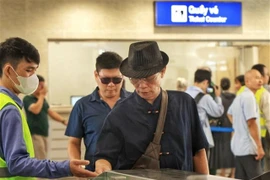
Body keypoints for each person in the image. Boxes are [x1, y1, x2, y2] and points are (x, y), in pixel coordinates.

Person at [94, 41, 209, 175]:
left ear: (163, 71)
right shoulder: (119, 114)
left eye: (149, 78)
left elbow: (198, 151)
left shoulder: (184, 103)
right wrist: (102, 167)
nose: (142, 85)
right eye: (135, 79)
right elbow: (104, 156)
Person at [0, 37, 96, 178]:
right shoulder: (9, 109)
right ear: (9, 71)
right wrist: (66, 168)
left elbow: (50, 112)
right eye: (29, 70)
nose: (33, 77)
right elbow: (17, 163)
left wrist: (64, 121)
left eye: (35, 70)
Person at [65, 51, 131, 171]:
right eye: (105, 80)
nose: (111, 85)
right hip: (95, 172)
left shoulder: (135, 102)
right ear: (96, 75)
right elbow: (74, 142)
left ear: (123, 77)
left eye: (117, 80)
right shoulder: (82, 106)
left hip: (131, 172)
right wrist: (78, 166)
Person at [227, 69, 265, 180]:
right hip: (248, 148)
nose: (260, 80)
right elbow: (251, 123)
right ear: (247, 82)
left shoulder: (240, 96)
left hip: (238, 148)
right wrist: (259, 147)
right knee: (257, 177)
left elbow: (229, 114)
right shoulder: (249, 97)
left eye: (260, 77)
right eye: (256, 78)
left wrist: (238, 126)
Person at [23, 75, 67, 160]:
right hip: (35, 133)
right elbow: (36, 110)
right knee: (40, 159)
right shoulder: (28, 98)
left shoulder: (42, 100)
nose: (42, 88)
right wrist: (42, 95)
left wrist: (64, 121)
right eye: (40, 85)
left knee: (43, 156)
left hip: (44, 133)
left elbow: (50, 112)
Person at [185, 69, 224, 149]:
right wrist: (217, 97)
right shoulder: (205, 98)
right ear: (206, 82)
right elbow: (218, 112)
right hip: (200, 139)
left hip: (186, 137)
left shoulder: (185, 93)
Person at [209, 78, 235, 178]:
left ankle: (223, 173)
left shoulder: (219, 98)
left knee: (221, 151)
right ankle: (232, 174)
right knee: (232, 151)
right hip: (232, 127)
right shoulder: (235, 97)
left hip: (220, 128)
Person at [251, 64, 270, 171]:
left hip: (248, 137)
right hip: (263, 136)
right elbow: (269, 118)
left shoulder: (243, 92)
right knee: (264, 166)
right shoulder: (264, 94)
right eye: (266, 74)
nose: (268, 77)